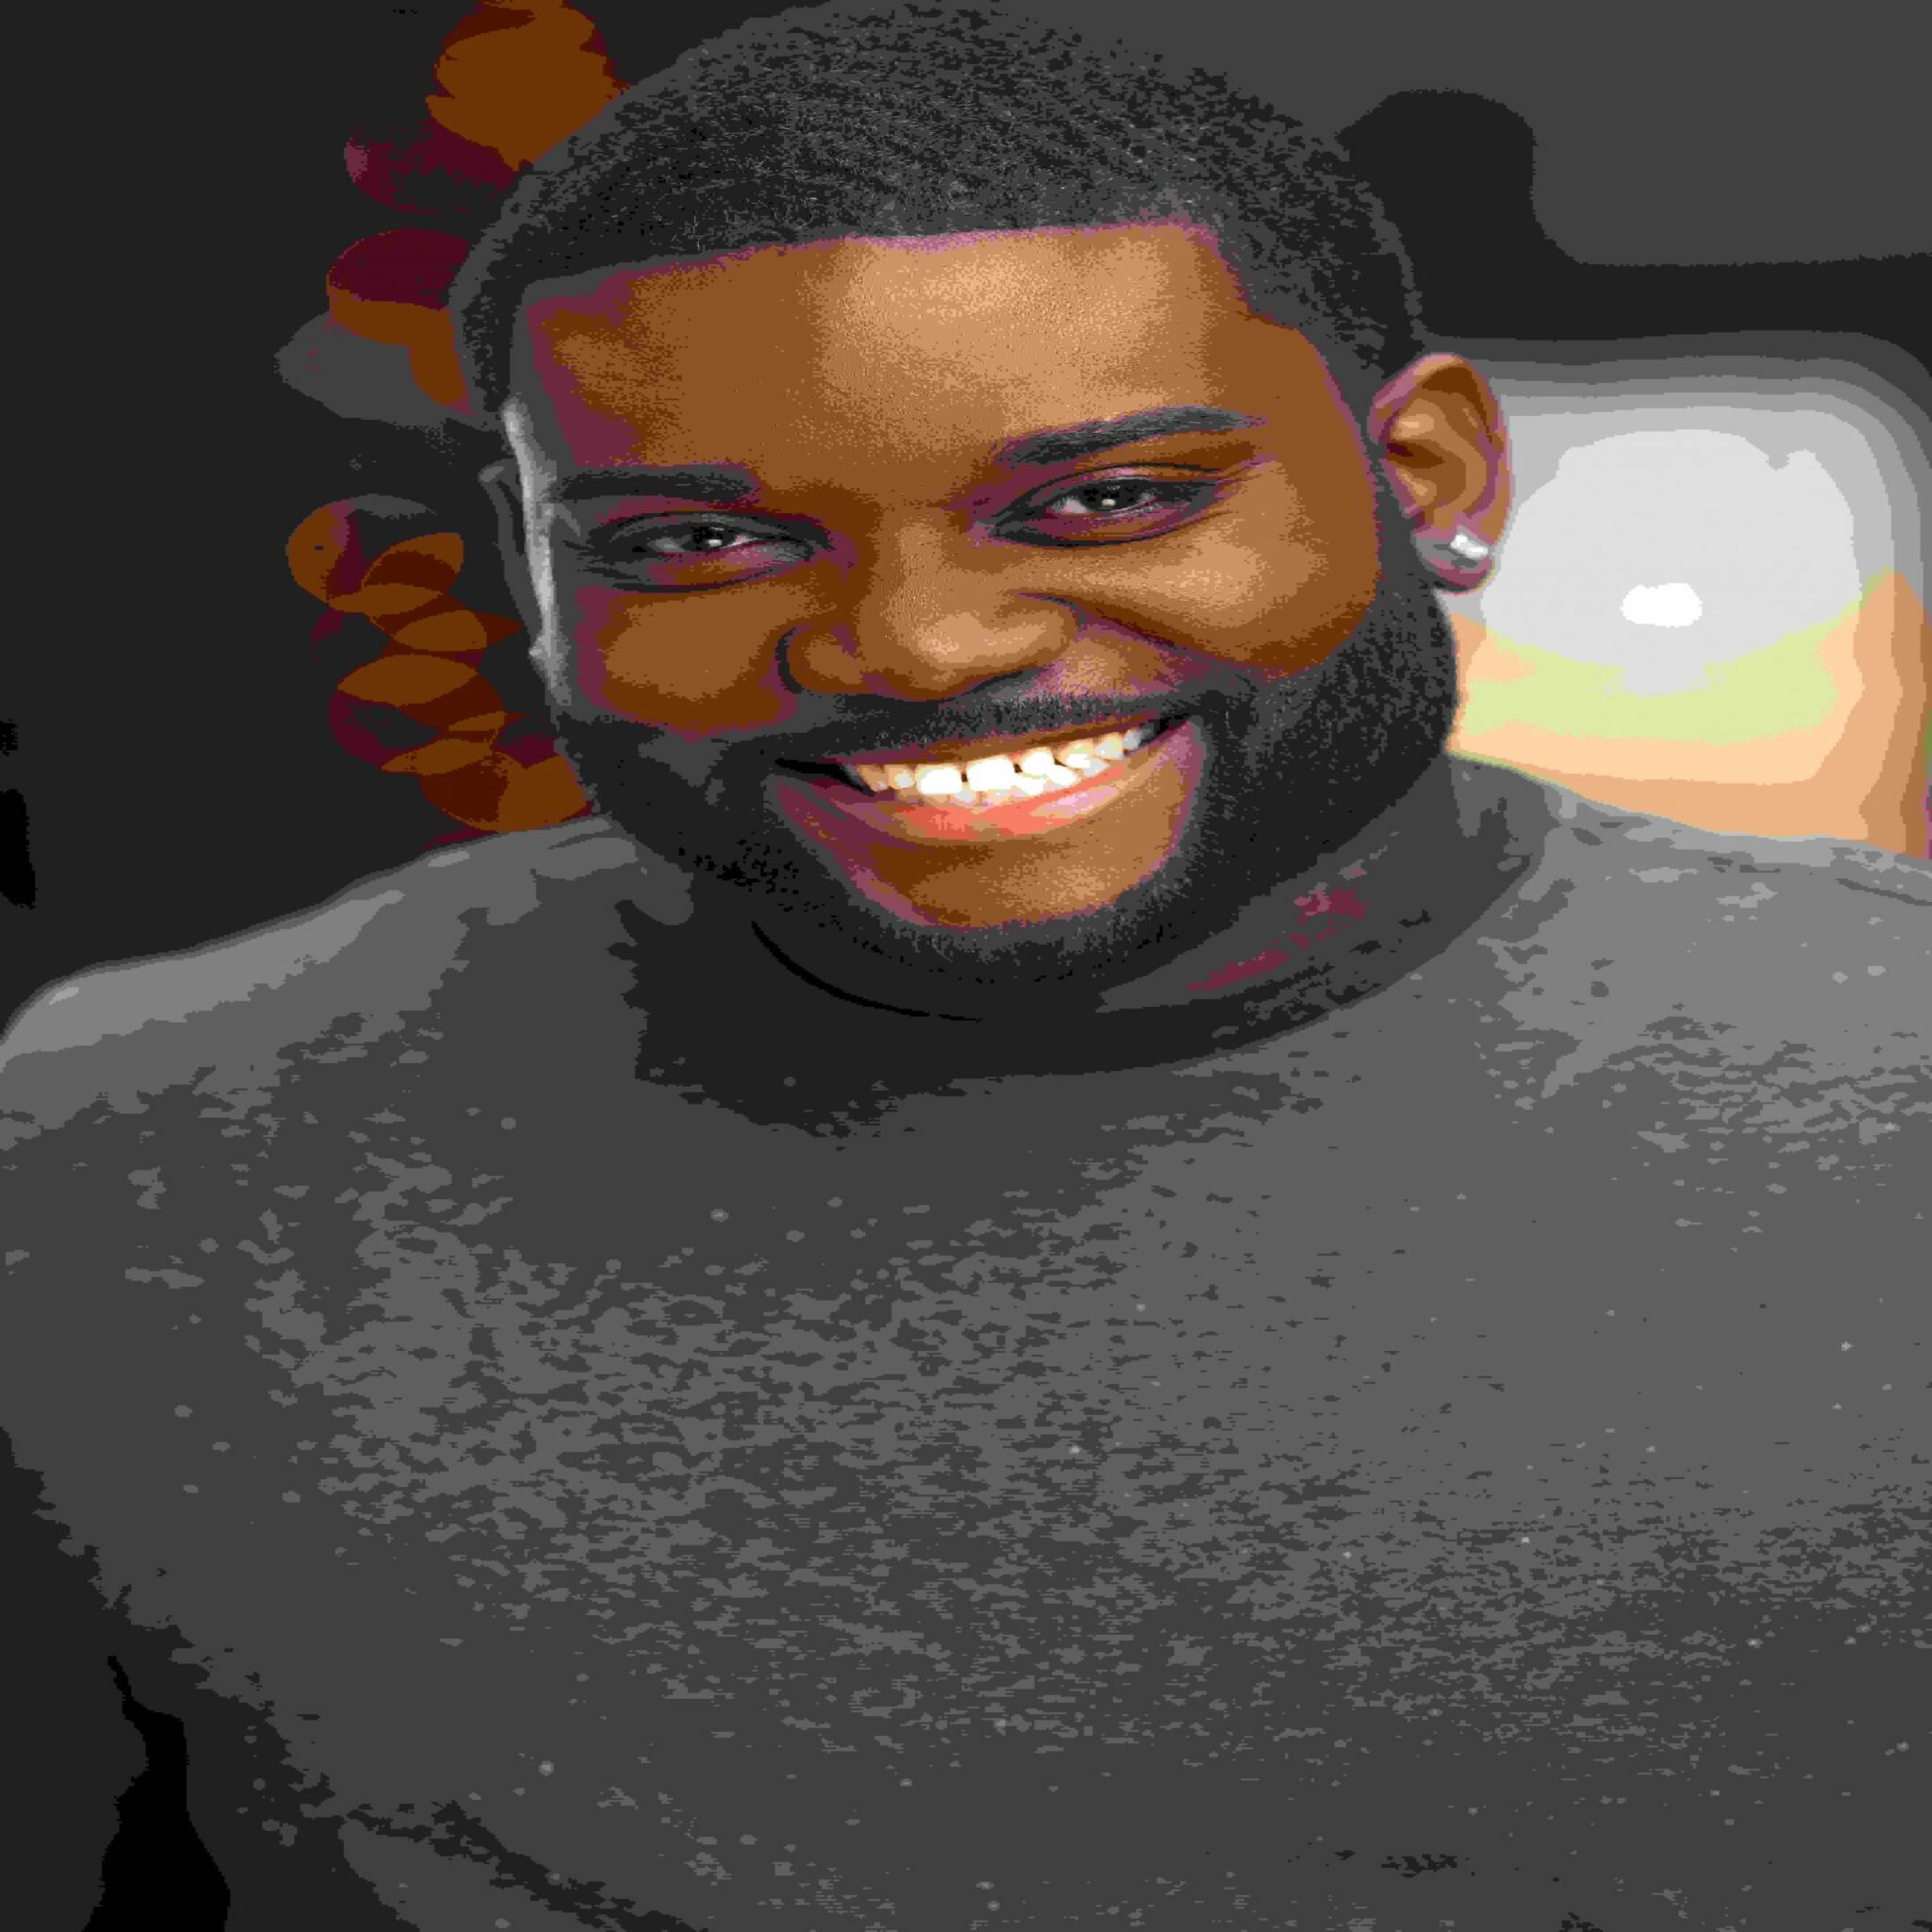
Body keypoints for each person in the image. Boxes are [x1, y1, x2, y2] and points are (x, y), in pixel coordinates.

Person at [3, 5, 1926, 1927]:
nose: (915, 646)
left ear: (1429, 478)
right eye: (696, 539)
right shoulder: (121, 1154)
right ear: (536, 564)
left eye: (1105, 500)